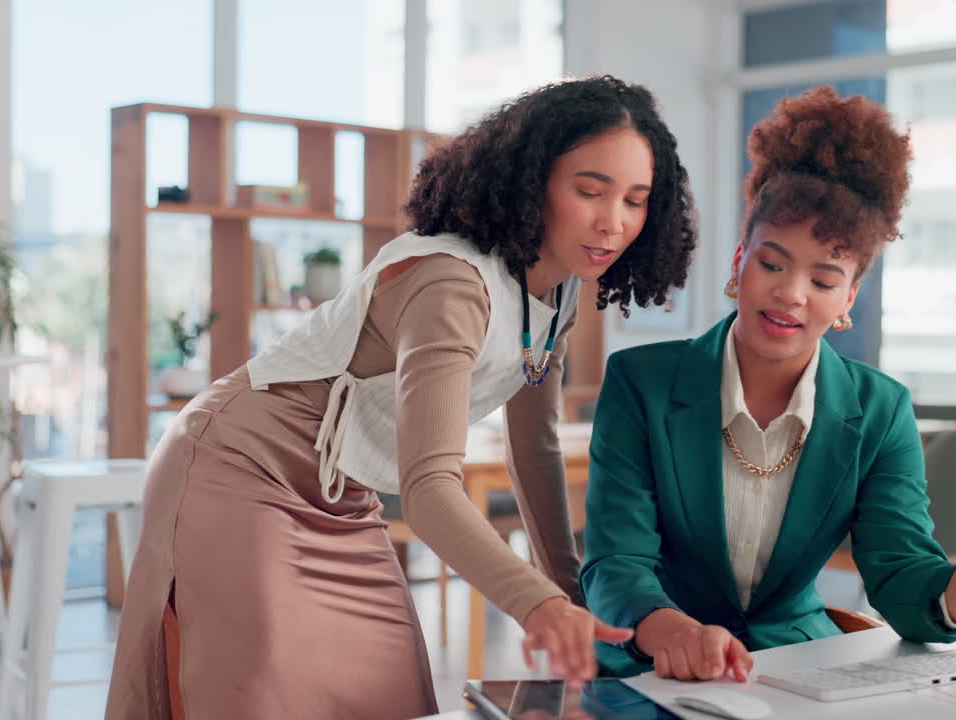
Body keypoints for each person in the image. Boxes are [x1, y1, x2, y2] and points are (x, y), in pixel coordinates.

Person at [105, 75, 697, 719]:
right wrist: (537, 604)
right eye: (590, 190)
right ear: (534, 182)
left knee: (391, 697)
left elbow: (534, 446)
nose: (613, 222)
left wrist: (566, 591)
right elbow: (430, 488)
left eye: (636, 201)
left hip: (342, 494)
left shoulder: (561, 294)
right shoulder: (452, 283)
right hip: (241, 469)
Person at [580, 86, 956, 682]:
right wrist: (675, 631)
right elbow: (616, 562)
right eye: (772, 263)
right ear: (739, 262)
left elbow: (900, 572)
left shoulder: (880, 410)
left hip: (797, 668)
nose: (791, 294)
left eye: (823, 279)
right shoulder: (643, 382)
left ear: (849, 297)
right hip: (653, 663)